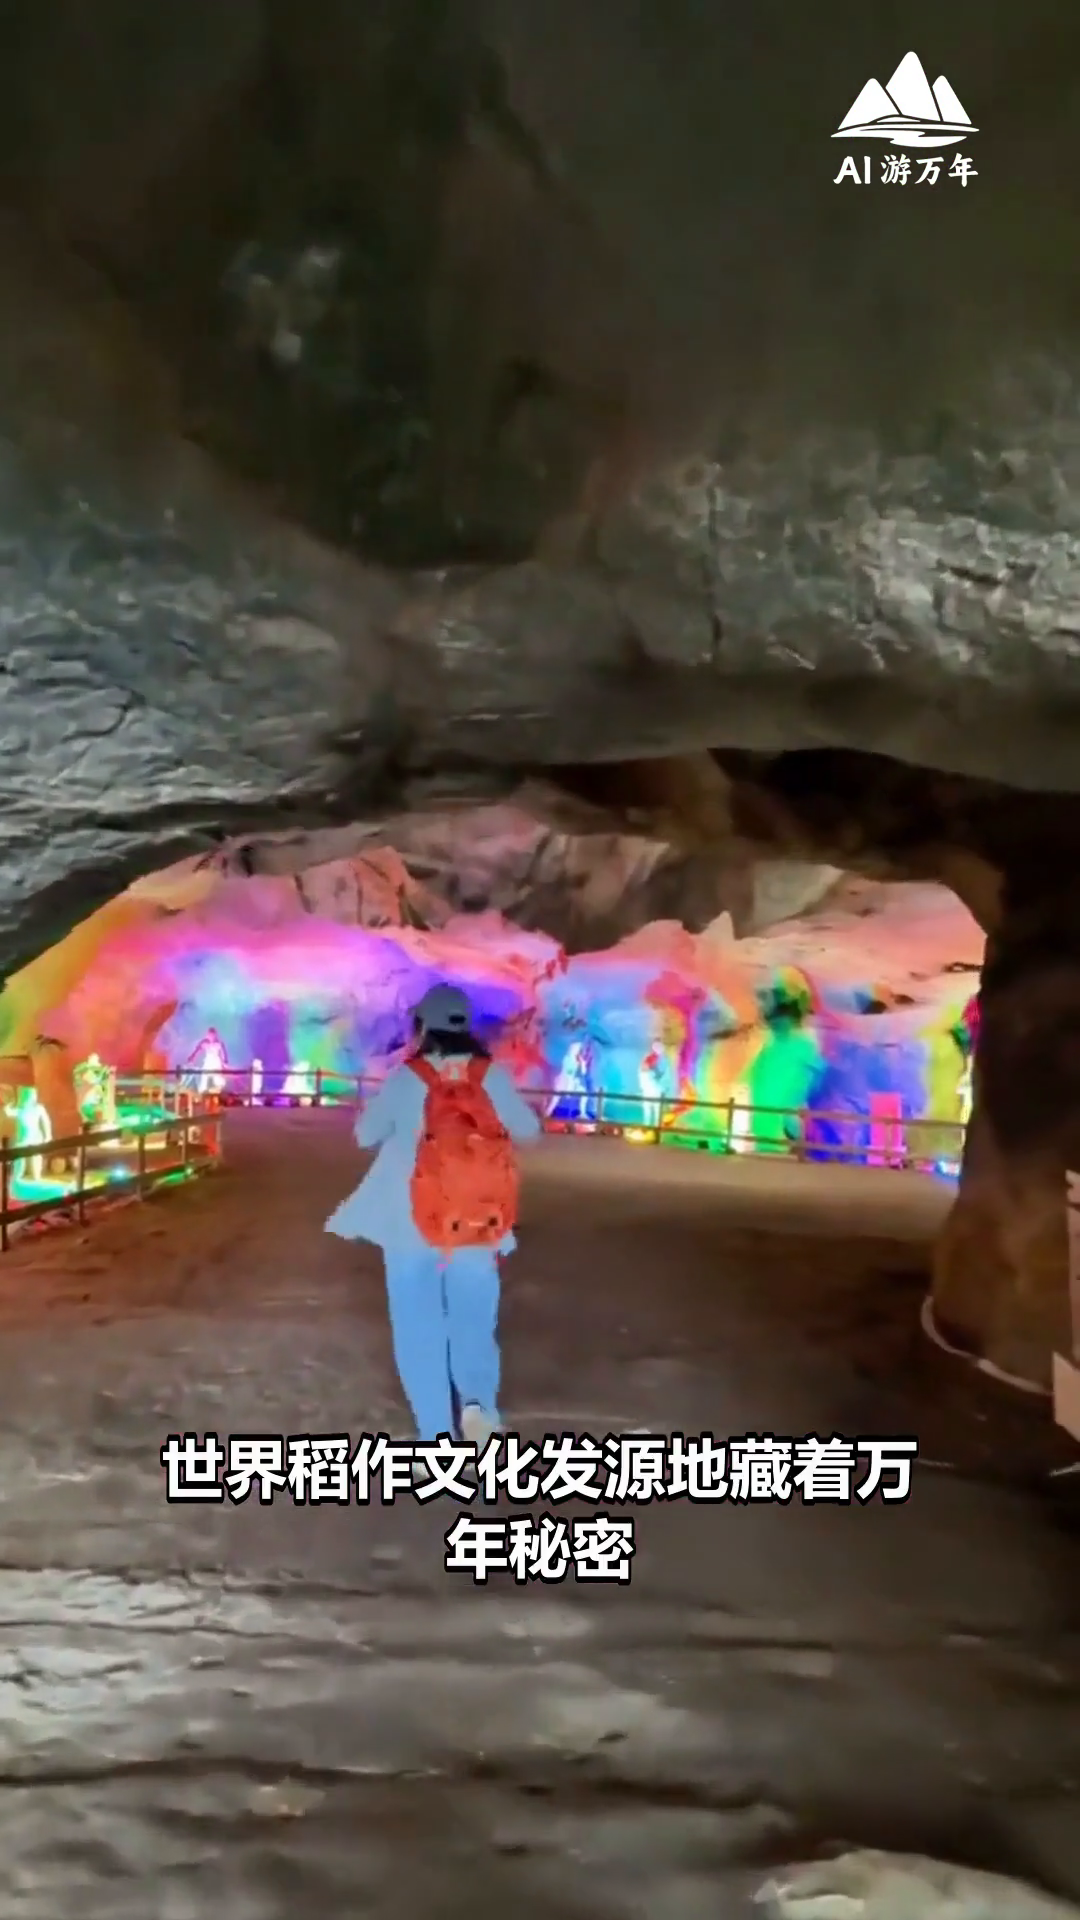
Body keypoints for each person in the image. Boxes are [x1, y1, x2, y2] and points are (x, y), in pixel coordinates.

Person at [326, 983, 541, 1447]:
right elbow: (529, 1129)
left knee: (418, 1327)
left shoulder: (408, 1077)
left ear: (422, 1026)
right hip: (476, 1221)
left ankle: (436, 1433)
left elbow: (364, 1135)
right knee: (473, 1320)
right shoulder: (490, 1076)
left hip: (408, 1222)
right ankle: (478, 1408)